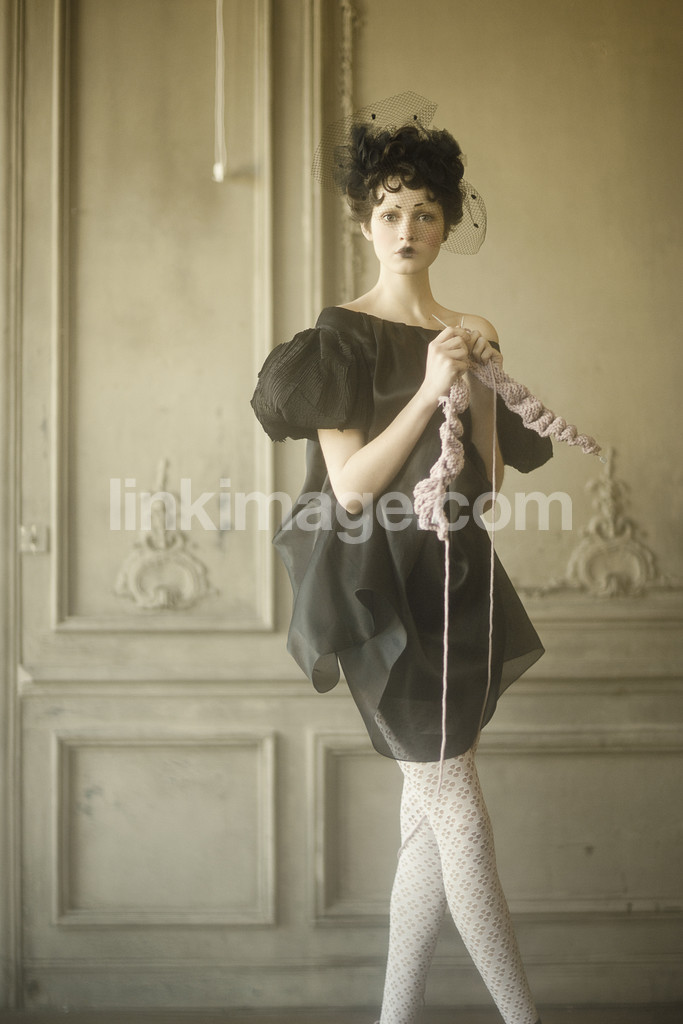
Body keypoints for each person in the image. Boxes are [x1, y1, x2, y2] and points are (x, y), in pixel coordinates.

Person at [251, 101, 548, 1024]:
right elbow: (350, 488)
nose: (406, 228)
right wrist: (426, 391)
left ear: (447, 224)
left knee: (427, 817)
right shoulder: (336, 338)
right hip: (375, 585)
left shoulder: (470, 325)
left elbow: (486, 483)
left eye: (423, 211)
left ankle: (394, 1018)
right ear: (364, 223)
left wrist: (479, 381)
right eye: (388, 211)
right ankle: (524, 1018)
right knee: (455, 803)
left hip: (456, 581)